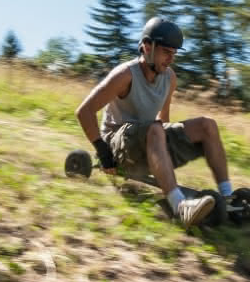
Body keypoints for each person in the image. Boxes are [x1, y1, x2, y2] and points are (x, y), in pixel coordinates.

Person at [74, 17, 235, 228]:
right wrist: (103, 153)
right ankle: (180, 207)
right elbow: (84, 112)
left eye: (174, 54)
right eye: (166, 52)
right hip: (118, 146)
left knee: (207, 125)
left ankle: (229, 198)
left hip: (148, 138)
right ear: (147, 47)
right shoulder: (125, 75)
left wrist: (163, 156)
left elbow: (163, 119)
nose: (171, 59)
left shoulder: (169, 78)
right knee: (155, 129)